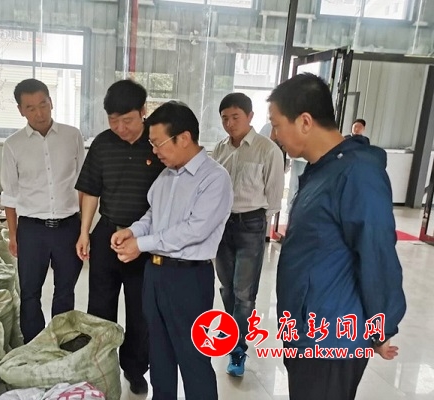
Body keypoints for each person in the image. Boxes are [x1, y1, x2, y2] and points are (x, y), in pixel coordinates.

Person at [267, 73, 406, 400]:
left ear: (304, 121)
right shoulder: (322, 169)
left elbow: (377, 253)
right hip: (307, 329)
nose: (274, 135)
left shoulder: (357, 174)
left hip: (332, 339)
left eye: (276, 125)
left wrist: (381, 325)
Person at [111, 101, 233, 400]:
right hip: (155, 274)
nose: (154, 151)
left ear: (184, 138)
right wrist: (133, 231)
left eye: (158, 143)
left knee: (193, 358)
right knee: (159, 355)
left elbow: (194, 230)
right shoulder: (166, 175)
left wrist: (141, 244)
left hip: (189, 279)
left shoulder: (214, 178)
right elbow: (153, 216)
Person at [75, 79, 164, 395]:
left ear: (143, 111)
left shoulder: (158, 142)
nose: (120, 128)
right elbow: (90, 191)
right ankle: (100, 366)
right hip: (107, 234)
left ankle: (135, 369)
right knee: (100, 306)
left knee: (141, 311)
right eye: (113, 121)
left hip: (145, 241)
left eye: (127, 120)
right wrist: (84, 232)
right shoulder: (103, 143)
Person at [0, 78, 84, 343]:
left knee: (65, 291)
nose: (39, 113)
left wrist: (84, 230)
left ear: (51, 102)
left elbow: (84, 184)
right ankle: (34, 347)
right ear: (21, 110)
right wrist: (13, 235)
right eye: (31, 107)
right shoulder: (13, 145)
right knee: (29, 293)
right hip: (31, 229)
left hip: (68, 227)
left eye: (43, 104)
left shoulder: (72, 136)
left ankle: (60, 342)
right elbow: (10, 194)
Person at [211, 93, 285, 376]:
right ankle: (233, 331)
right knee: (227, 287)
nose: (229, 123)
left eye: (235, 117)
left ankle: (238, 349)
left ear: (250, 116)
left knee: (244, 292)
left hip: (251, 225)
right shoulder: (219, 149)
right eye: (224, 118)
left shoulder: (268, 150)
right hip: (222, 224)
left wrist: (257, 225)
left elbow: (274, 197)